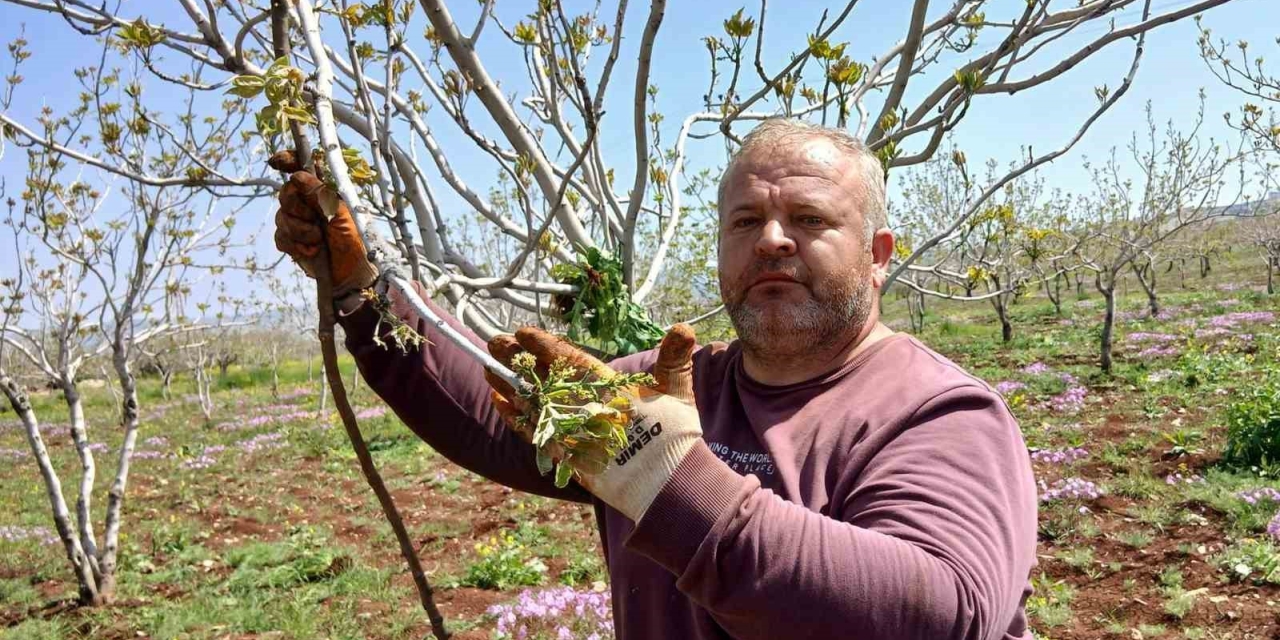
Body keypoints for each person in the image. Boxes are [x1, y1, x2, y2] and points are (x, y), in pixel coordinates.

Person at [273, 118, 1038, 640]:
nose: (772, 241)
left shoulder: (939, 414)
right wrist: (361, 292)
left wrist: (665, 480)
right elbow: (488, 411)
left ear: (877, 253)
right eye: (745, 223)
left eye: (809, 220)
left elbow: (945, 613)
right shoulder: (666, 392)